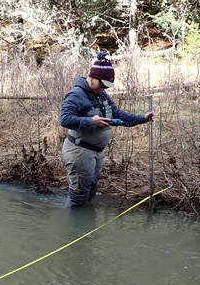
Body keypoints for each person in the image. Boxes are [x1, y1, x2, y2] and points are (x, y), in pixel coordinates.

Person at [59, 50, 154, 207]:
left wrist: (142, 118)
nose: (103, 88)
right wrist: (90, 121)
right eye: (102, 84)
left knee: (90, 191)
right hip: (79, 151)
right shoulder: (76, 95)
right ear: (92, 77)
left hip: (96, 153)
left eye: (106, 86)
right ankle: (74, 230)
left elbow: (116, 114)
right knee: (78, 195)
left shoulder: (101, 94)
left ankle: (84, 225)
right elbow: (65, 119)